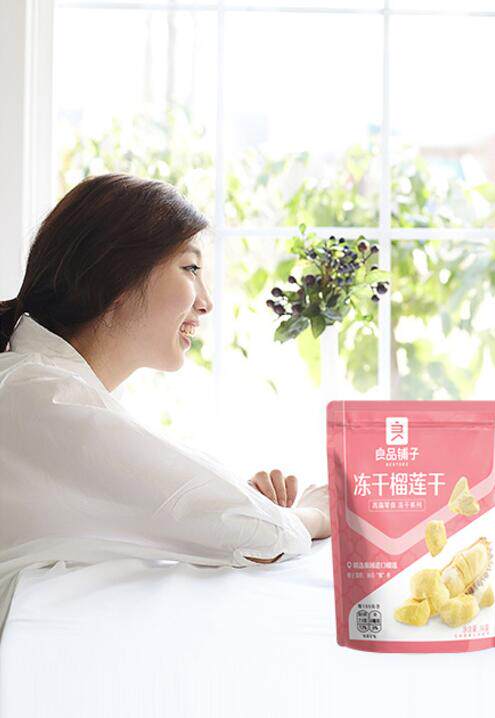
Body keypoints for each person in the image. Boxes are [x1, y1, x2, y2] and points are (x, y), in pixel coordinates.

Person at [0, 174, 331, 637]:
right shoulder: (42, 397)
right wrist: (313, 514)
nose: (207, 302)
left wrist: (238, 503)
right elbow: (259, 533)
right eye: (190, 268)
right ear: (116, 275)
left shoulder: (39, 387)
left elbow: (196, 514)